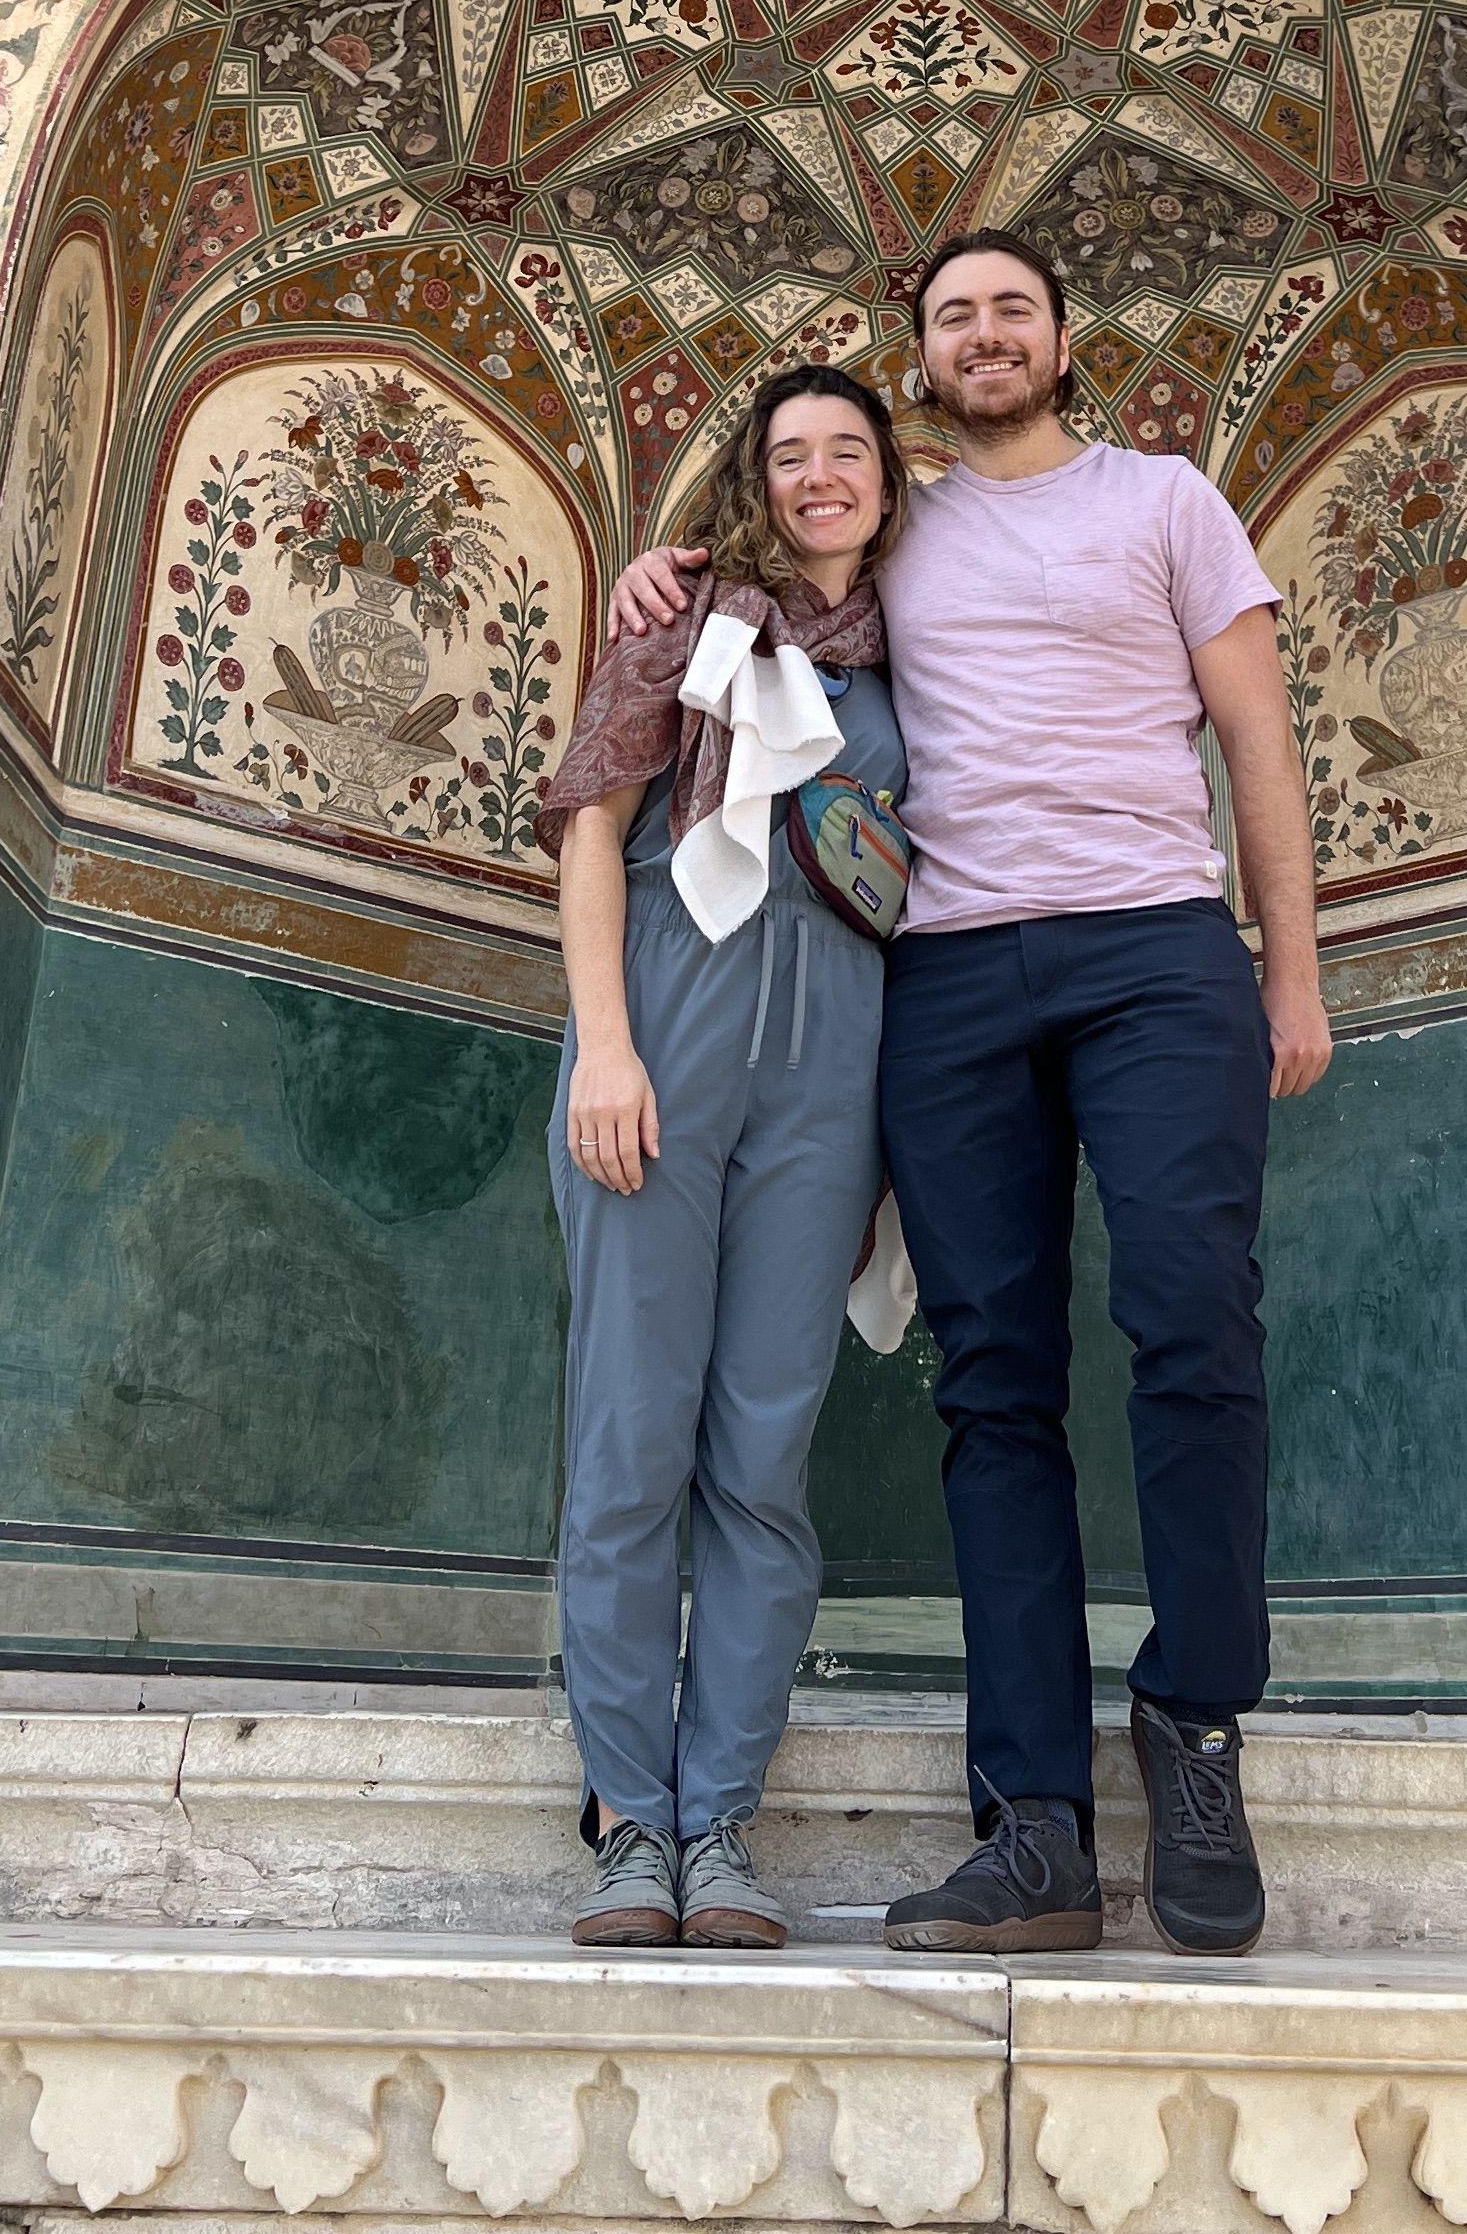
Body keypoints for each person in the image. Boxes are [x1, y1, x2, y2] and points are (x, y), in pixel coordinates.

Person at [606, 230, 1330, 1959]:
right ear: (920, 359)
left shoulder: (1166, 501)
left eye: (1014, 309)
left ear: (1065, 342)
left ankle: (1195, 1721)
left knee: (1192, 1321)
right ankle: (1035, 1823)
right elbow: (760, 577)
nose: (985, 334)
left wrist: (1289, 968)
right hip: (949, 972)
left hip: (1154, 947)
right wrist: (658, 571)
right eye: (953, 317)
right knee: (993, 1382)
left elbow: (1258, 739)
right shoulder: (899, 527)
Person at [536, 363, 917, 1952]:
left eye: (850, 451)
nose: (822, 475)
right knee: (632, 1443)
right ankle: (630, 1821)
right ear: (753, 481)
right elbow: (590, 832)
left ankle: (721, 1822)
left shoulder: (921, 652)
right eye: (791, 454)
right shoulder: (680, 624)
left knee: (762, 1463)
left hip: (832, 1083)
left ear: (889, 480)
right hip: (660, 1053)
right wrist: (606, 1049)